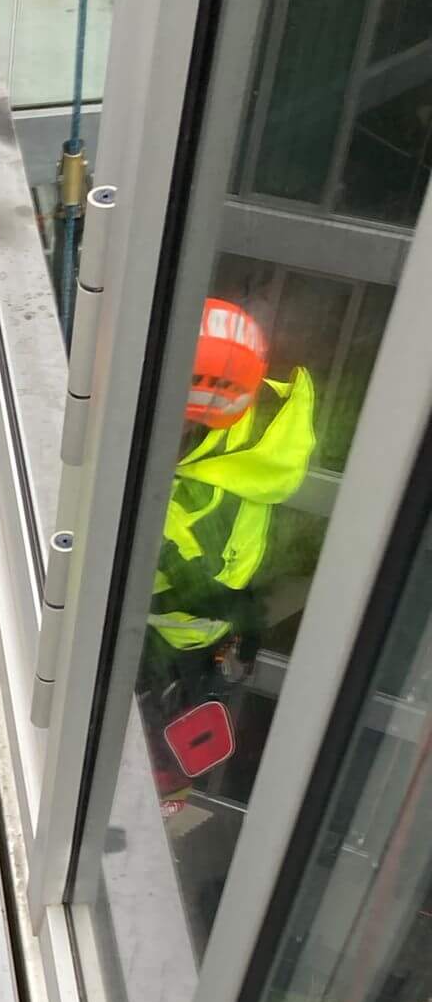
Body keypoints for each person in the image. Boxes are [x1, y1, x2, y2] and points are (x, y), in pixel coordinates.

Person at [144, 297, 316, 715]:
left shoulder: (192, 498)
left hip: (172, 635)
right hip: (219, 609)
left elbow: (162, 570)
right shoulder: (260, 417)